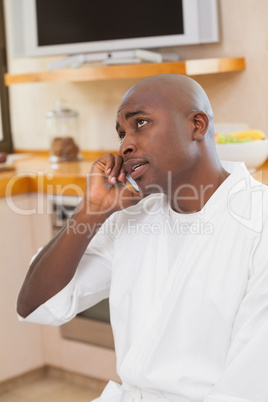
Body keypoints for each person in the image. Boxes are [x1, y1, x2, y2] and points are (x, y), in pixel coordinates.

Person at [17, 74, 268, 402]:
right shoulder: (133, 216)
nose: (125, 145)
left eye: (141, 123)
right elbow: (34, 305)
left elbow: (246, 389)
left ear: (197, 125)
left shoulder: (258, 222)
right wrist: (90, 213)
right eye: (121, 133)